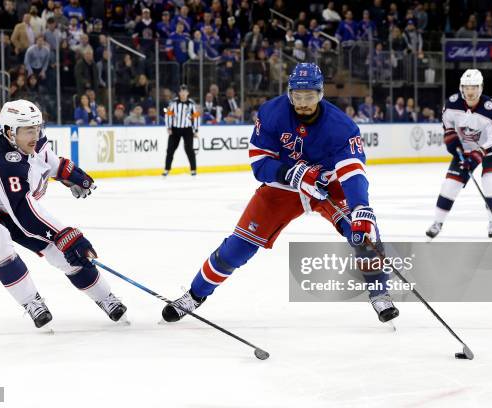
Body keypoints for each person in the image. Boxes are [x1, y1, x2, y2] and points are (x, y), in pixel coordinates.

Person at [161, 63, 399, 324]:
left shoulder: (342, 126)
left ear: (320, 94)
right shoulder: (271, 113)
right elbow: (259, 163)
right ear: (289, 94)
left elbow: (352, 171)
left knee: (365, 231)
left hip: (326, 187)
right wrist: (291, 174)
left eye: (309, 96)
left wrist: (360, 208)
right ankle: (195, 295)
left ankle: (379, 293)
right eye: (298, 96)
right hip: (284, 188)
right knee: (237, 248)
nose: (303, 102)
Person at [0, 99, 127, 329]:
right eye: (28, 130)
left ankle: (105, 297)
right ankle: (31, 302)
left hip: (9, 204)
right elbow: (25, 214)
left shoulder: (30, 140)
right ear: (10, 132)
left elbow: (47, 160)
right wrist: (66, 235)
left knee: (60, 252)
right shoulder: (4, 162)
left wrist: (69, 173)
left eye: (37, 127)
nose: (35, 135)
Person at [426, 69, 492, 239]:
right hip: (465, 150)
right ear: (461, 88)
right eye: (467, 87)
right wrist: (453, 145)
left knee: (490, 181)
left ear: (481, 88)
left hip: (490, 150)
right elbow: (448, 128)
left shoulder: (490, 109)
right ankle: (437, 222)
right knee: (450, 185)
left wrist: (478, 154)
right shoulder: (452, 105)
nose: (470, 91)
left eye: (474, 87)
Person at [163, 84, 200, 177]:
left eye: (185, 91)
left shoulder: (191, 104)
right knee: (170, 150)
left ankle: (193, 169)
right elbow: (168, 114)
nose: (183, 93)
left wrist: (195, 130)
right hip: (175, 130)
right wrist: (168, 127)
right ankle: (167, 169)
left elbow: (196, 116)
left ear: (188, 93)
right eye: (181, 91)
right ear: (179, 93)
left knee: (189, 150)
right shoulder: (173, 103)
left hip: (187, 130)